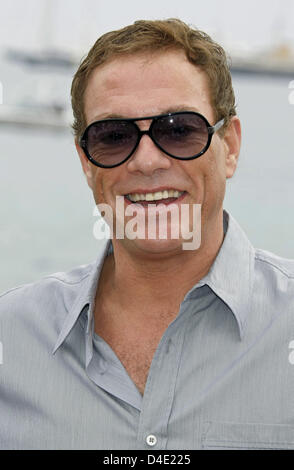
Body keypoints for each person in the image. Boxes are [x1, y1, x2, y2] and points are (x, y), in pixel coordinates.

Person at [1, 18, 294, 451]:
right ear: (86, 163)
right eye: (113, 136)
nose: (147, 161)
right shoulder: (13, 335)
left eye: (179, 130)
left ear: (229, 147)